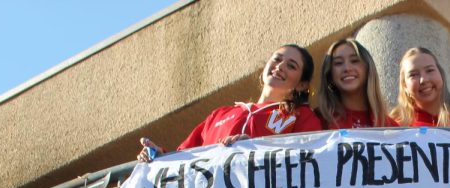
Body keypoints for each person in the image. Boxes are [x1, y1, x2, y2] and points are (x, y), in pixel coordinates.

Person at [138, 44, 323, 161]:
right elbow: (183, 158)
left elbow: (309, 161)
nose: (280, 66)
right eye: (277, 59)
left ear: (301, 84)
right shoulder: (219, 114)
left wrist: (254, 150)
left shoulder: (302, 117)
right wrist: (158, 156)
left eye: (291, 66)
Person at [316, 38, 393, 129]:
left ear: (368, 69)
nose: (347, 68)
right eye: (338, 63)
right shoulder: (318, 120)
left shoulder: (391, 128)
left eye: (354, 61)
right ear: (329, 75)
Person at [392, 47, 450, 128]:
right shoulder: (394, 127)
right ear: (405, 86)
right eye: (413, 75)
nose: (423, 80)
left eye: (429, 70)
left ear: (441, 75)